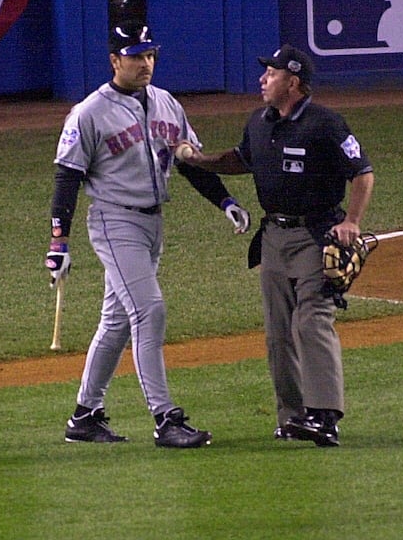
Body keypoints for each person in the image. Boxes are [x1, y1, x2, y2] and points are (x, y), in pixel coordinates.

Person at [45, 22, 250, 448]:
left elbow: (190, 160)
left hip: (153, 224)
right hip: (114, 222)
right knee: (149, 310)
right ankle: (165, 418)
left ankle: (84, 416)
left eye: (150, 55)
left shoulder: (166, 104)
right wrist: (58, 242)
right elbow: (67, 177)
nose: (146, 64)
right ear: (115, 61)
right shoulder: (89, 112)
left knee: (117, 322)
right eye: (136, 56)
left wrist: (225, 201)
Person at [178, 44, 374, 447]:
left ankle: (325, 417)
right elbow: (241, 159)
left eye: (272, 73)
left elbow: (362, 172)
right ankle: (293, 416)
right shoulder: (259, 121)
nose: (263, 79)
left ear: (294, 82)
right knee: (277, 332)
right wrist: (199, 161)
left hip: (316, 235)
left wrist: (352, 222)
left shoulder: (326, 124)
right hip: (273, 239)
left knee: (312, 320)